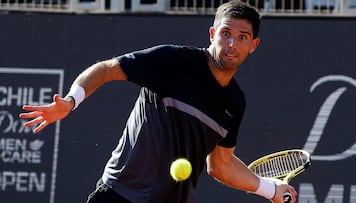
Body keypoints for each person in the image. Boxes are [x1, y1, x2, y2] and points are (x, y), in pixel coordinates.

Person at [19, 1, 297, 203]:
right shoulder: (173, 62)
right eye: (226, 34)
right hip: (119, 196)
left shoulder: (235, 103)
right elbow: (107, 69)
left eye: (242, 38)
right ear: (212, 34)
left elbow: (220, 165)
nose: (232, 44)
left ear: (253, 45)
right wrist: (70, 101)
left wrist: (269, 190)